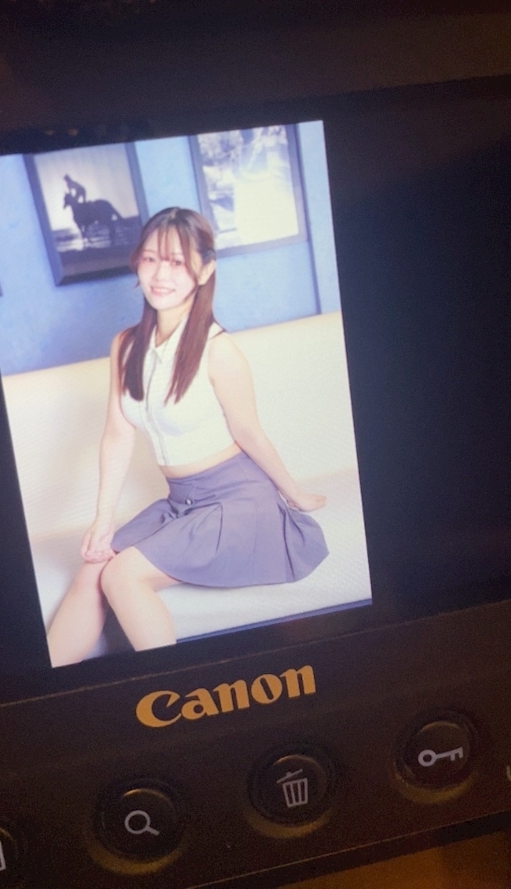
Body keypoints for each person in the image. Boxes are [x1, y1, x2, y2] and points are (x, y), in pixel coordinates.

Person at [46, 207, 328, 663]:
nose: (161, 275)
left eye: (177, 262)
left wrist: (293, 493)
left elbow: (249, 432)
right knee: (91, 573)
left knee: (121, 576)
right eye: (151, 259)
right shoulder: (125, 346)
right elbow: (117, 435)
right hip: (180, 502)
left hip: (236, 501)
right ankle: (45, 689)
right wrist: (102, 519)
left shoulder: (219, 350)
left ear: (205, 270)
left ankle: (174, 691)